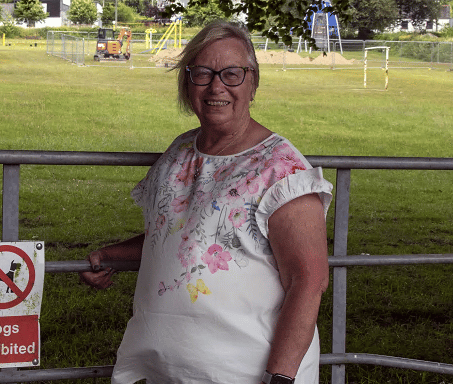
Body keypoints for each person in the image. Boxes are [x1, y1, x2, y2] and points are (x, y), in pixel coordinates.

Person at [80, 21, 333, 384]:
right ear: (187, 83)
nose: (217, 86)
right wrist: (110, 258)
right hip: (162, 370)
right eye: (202, 73)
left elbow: (308, 281)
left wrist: (280, 378)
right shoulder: (180, 152)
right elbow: (176, 239)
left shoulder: (283, 170)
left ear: (253, 82)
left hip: (245, 375)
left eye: (232, 73)